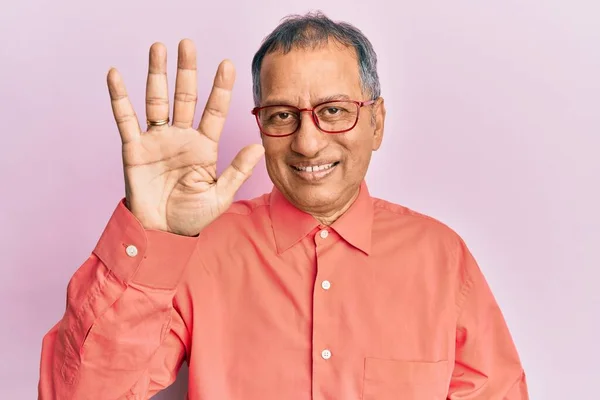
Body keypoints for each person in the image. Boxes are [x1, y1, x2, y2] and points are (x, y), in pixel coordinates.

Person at [38, 12, 528, 400]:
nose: (308, 142)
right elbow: (78, 393)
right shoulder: (201, 247)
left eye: (333, 111)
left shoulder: (441, 257)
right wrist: (151, 233)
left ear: (376, 121)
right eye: (282, 115)